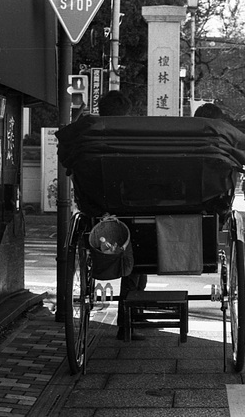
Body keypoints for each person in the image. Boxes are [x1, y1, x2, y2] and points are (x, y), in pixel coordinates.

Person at [98, 90, 147, 340]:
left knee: (136, 269)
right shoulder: (132, 136)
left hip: (99, 207)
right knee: (135, 267)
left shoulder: (91, 134)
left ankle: (133, 313)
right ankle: (127, 322)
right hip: (130, 207)